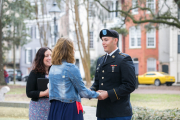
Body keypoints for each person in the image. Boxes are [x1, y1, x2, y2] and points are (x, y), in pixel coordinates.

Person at [48, 37, 99, 120]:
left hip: (54, 108)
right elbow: (83, 92)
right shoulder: (71, 68)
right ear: (69, 51)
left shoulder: (52, 68)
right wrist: (98, 95)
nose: (74, 51)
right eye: (73, 49)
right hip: (68, 108)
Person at [90, 29, 137, 120]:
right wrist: (90, 91)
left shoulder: (124, 59)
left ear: (115, 40)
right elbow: (97, 83)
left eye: (106, 40)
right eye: (102, 40)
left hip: (118, 113)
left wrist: (108, 94)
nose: (103, 43)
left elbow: (130, 85)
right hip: (102, 112)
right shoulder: (100, 60)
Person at [26, 47, 52, 120]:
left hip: (53, 107)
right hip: (38, 108)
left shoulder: (55, 72)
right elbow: (29, 93)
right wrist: (45, 93)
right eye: (47, 56)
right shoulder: (34, 73)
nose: (50, 58)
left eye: (51, 55)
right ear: (41, 58)